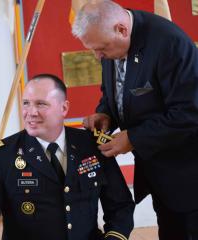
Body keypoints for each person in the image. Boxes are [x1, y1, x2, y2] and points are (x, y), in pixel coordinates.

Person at [72, 1, 198, 239]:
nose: (98, 56)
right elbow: (117, 90)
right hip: (160, 177)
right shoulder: (108, 42)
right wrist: (105, 113)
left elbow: (189, 113)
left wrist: (133, 138)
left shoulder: (170, 43)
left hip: (189, 176)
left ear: (121, 29)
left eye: (101, 49)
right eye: (93, 50)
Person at [0, 74, 134, 240]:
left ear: (64, 108)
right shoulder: (2, 154)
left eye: (41, 104)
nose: (31, 112)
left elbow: (120, 206)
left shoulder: (91, 146)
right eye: (26, 103)